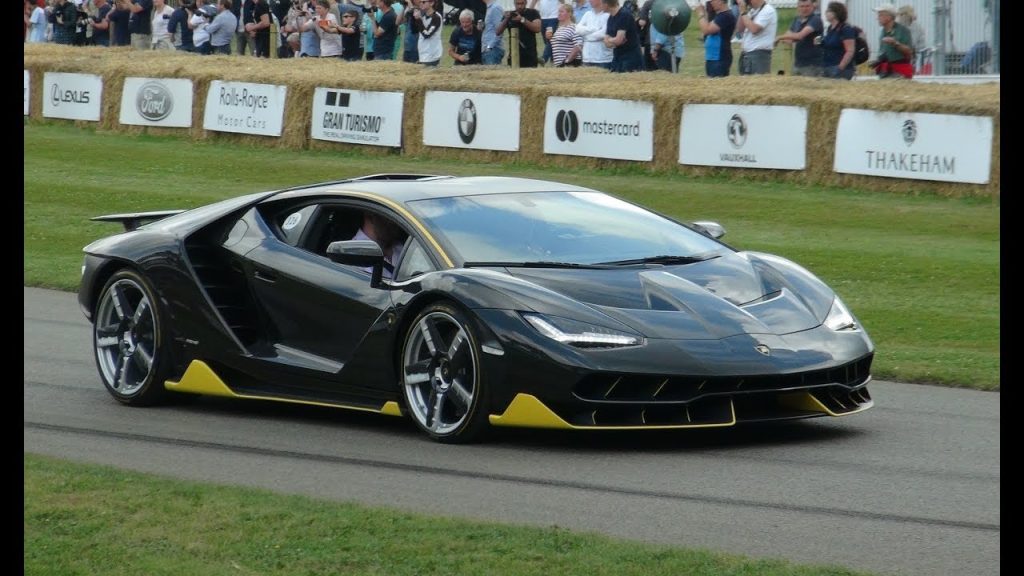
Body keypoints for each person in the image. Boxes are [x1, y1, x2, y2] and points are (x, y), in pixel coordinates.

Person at [775, 0, 822, 77]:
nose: (804, 9)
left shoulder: (815, 20)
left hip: (812, 65)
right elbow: (789, 35)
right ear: (798, 8)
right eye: (802, 6)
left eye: (807, 6)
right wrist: (784, 39)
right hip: (798, 63)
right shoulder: (797, 19)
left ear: (812, 7)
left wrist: (780, 37)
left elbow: (800, 36)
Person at [352, 213, 405, 279]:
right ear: (371, 218)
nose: (395, 222)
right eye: (388, 217)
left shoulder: (402, 246)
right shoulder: (355, 254)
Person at [693, 0, 735, 77]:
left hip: (719, 57)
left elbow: (706, 30)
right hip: (712, 57)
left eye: (713, 1)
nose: (711, 3)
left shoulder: (725, 16)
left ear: (721, 1)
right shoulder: (719, 16)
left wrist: (701, 13)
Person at [871, 2, 912, 78]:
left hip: (900, 70)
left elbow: (909, 52)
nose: (877, 18)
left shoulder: (903, 31)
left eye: (880, 15)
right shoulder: (882, 32)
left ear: (889, 17)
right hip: (885, 70)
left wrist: (895, 43)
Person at [735, 0, 776, 75]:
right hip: (746, 55)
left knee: (757, 84)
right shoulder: (752, 11)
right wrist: (742, 11)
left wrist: (744, 13)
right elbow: (740, 28)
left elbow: (754, 29)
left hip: (759, 56)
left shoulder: (768, 10)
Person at [498, 0, 542, 68]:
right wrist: (506, 19)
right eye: (517, 4)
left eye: (522, 4)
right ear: (514, 4)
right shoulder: (510, 14)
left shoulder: (533, 13)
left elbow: (537, 28)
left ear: (526, 3)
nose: (520, 6)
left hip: (530, 55)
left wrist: (522, 20)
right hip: (513, 55)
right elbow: (498, 32)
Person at [602, 0, 641, 72]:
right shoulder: (610, 18)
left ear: (606, 4)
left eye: (602, 3)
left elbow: (618, 40)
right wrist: (613, 40)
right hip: (617, 56)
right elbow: (606, 43)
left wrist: (610, 40)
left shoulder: (624, 15)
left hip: (630, 57)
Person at [820, 1, 854, 79]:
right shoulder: (829, 28)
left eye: (828, 11)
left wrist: (840, 67)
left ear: (836, 13)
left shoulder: (846, 29)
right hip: (827, 66)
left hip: (841, 69)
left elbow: (850, 51)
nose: (826, 13)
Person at [548, 1, 582, 67]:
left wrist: (567, 61)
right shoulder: (559, 29)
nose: (559, 14)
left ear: (569, 14)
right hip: (559, 65)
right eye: (558, 12)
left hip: (570, 64)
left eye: (562, 12)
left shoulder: (574, 27)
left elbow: (578, 46)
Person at [411, 0, 442, 66]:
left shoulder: (436, 17)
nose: (421, 4)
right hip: (423, 53)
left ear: (431, 3)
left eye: (424, 2)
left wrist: (418, 20)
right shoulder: (423, 16)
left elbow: (427, 34)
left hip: (432, 54)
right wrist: (413, 18)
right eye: (420, 2)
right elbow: (414, 31)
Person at [896, 4, 925, 72]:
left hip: (916, 54)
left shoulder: (916, 27)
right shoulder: (898, 25)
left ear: (907, 15)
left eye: (901, 15)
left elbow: (915, 44)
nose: (899, 17)